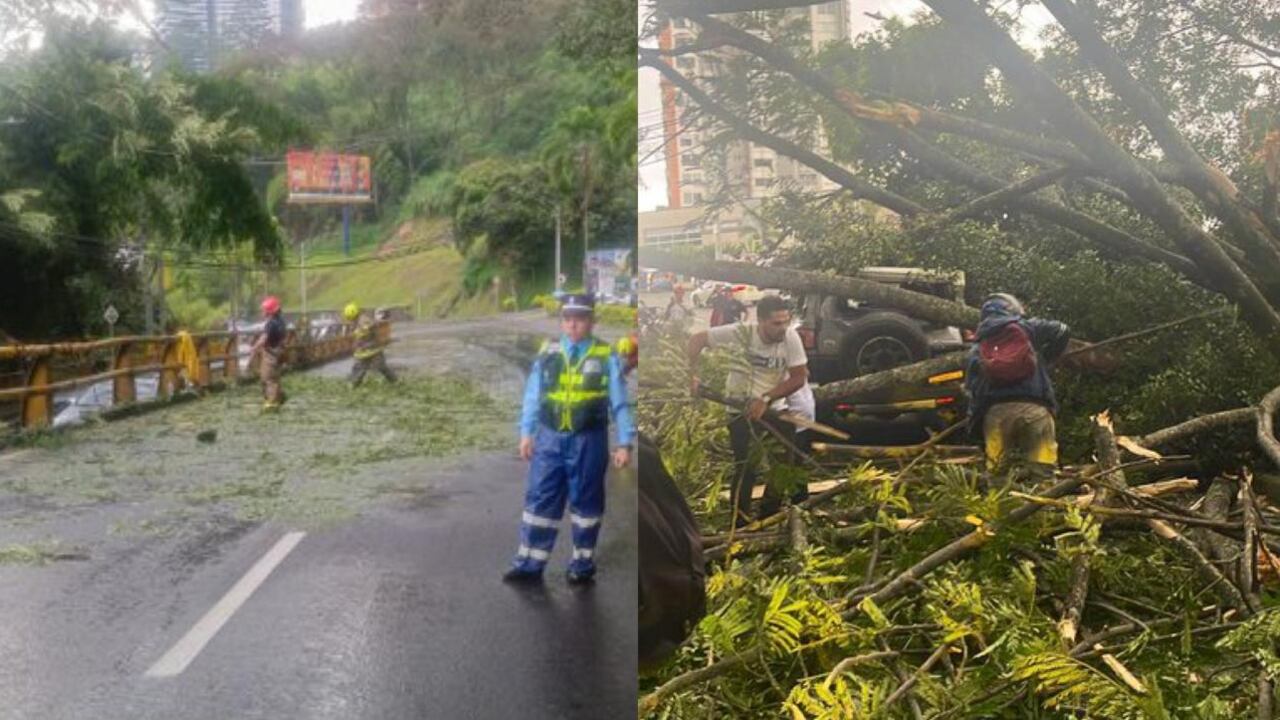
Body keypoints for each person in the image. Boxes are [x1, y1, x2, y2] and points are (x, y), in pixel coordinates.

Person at [504, 294, 635, 585]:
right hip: (549, 438)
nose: (573, 324)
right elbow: (532, 395)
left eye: (580, 318)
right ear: (562, 322)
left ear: (591, 321)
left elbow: (621, 402)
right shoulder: (548, 351)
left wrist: (624, 443)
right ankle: (529, 563)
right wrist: (526, 432)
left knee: (586, 504)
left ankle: (582, 563)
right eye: (568, 318)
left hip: (588, 441)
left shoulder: (605, 355)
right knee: (540, 499)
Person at [687, 294, 810, 527]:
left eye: (786, 321)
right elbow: (696, 340)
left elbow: (798, 378)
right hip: (740, 411)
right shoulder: (740, 333)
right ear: (760, 321)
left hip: (776, 409)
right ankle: (739, 523)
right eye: (776, 323)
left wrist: (766, 398)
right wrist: (691, 375)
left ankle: (770, 514)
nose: (782, 327)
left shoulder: (790, 337)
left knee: (787, 463)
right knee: (746, 467)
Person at [963, 293, 1070, 485]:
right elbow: (1062, 329)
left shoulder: (978, 346)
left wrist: (975, 426)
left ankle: (1003, 512)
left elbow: (973, 390)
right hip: (1035, 409)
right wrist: (1047, 358)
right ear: (1012, 309)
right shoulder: (1027, 328)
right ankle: (1046, 509)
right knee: (1044, 470)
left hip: (996, 414)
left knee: (997, 474)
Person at [344, 302, 397, 387]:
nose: (350, 320)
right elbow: (354, 335)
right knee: (359, 369)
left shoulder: (364, 319)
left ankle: (394, 381)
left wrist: (366, 329)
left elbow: (373, 324)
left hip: (374, 349)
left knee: (382, 367)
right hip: (362, 352)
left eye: (350, 318)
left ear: (354, 314)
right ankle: (353, 384)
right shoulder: (354, 323)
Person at [250, 296, 287, 411]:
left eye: (264, 309)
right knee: (274, 376)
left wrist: (254, 347)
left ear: (269, 311)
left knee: (268, 378)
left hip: (271, 352)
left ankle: (272, 402)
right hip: (279, 351)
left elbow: (264, 338)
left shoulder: (271, 323)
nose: (262, 312)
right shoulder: (281, 321)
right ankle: (279, 396)